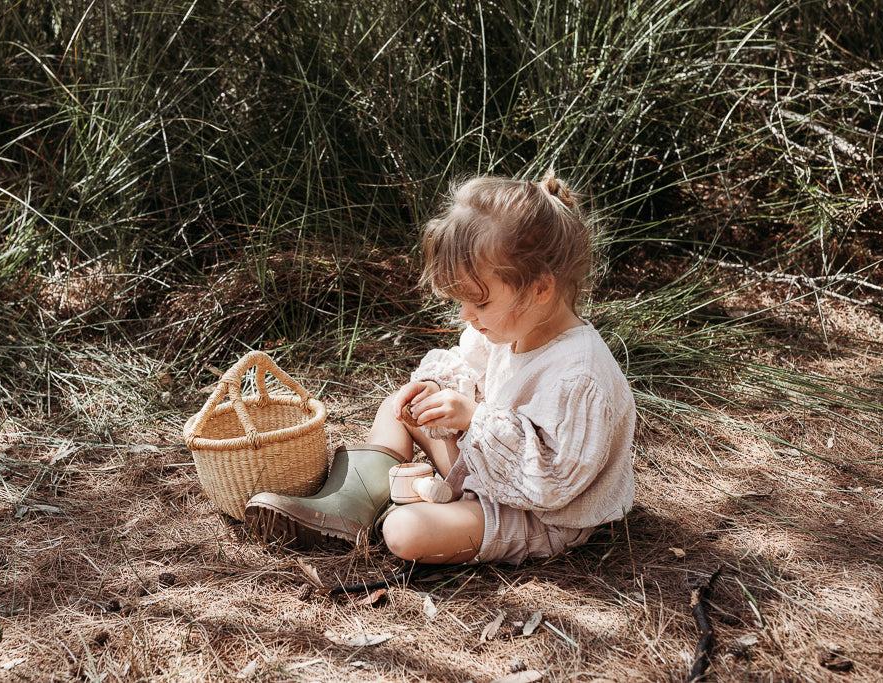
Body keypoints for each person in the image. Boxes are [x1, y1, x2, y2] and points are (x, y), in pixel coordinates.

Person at [245, 173, 635, 565]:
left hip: (539, 513)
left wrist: (473, 418)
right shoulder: (507, 327)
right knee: (397, 406)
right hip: (494, 468)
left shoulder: (579, 375)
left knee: (404, 531)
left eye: (479, 303)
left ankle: (403, 512)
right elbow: (466, 365)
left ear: (539, 289)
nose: (466, 316)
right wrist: (435, 389)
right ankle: (348, 506)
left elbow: (552, 483)